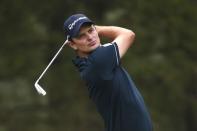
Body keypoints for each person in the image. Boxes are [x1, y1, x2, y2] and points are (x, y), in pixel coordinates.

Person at [63, 14, 153, 131]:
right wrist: (98, 29)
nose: (90, 37)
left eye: (91, 30)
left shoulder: (88, 63)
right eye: (81, 36)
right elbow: (128, 34)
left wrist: (93, 31)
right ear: (72, 44)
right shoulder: (99, 61)